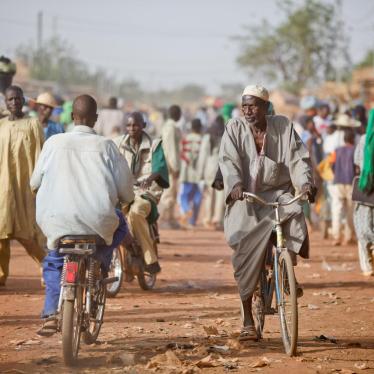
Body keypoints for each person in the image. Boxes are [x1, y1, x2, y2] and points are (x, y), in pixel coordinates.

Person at [30, 94, 134, 335]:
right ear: (95, 119)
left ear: (71, 116)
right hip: (96, 223)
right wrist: (125, 199)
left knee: (55, 260)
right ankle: (98, 262)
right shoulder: (107, 146)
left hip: (58, 222)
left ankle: (49, 314)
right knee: (120, 226)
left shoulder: (53, 143)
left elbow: (34, 182)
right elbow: (126, 190)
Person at [219, 84, 315, 341]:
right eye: (245, 106)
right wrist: (235, 184)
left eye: (254, 106)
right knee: (244, 255)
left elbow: (298, 159)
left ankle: (286, 269)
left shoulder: (283, 126)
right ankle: (248, 321)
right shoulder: (234, 128)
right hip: (247, 197)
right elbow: (228, 161)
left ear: (265, 107)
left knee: (294, 211)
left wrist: (305, 183)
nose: (248, 111)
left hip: (277, 192)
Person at [0, 86, 46, 286]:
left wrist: (41, 184)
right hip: (3, 188)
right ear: (6, 102)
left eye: (17, 99)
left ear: (23, 101)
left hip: (25, 188)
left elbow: (41, 155)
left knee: (26, 233)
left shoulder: (33, 124)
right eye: (10, 99)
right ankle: (1, 276)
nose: (14, 103)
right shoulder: (1, 125)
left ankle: (46, 264)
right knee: (1, 232)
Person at [114, 112, 169, 274]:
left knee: (136, 212)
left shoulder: (155, 144)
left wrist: (150, 178)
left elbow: (159, 168)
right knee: (110, 215)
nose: (132, 128)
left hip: (145, 192)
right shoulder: (116, 144)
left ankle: (149, 259)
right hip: (123, 190)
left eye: (136, 125)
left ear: (143, 126)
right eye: (129, 125)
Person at [353, 109, 374, 276]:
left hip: (366, 190)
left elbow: (357, 164)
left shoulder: (363, 140)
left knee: (363, 227)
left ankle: (367, 266)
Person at [198, 115, 225, 229]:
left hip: (209, 167)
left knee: (209, 194)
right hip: (221, 168)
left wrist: (200, 175)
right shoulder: (225, 134)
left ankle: (208, 218)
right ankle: (217, 219)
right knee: (220, 194)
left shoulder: (207, 136)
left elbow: (203, 156)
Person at [330, 129, 356, 246]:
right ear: (353, 139)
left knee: (337, 210)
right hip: (351, 182)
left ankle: (336, 236)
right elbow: (357, 167)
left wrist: (336, 173)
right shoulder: (355, 150)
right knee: (351, 210)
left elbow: (331, 165)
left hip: (338, 182)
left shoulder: (337, 150)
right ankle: (348, 237)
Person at [159, 105, 182, 229]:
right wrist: (175, 167)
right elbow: (171, 149)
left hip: (167, 164)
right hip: (169, 165)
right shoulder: (171, 128)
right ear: (177, 114)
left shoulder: (169, 126)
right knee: (169, 193)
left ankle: (171, 219)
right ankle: (164, 219)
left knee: (172, 192)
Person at [178, 118, 203, 227]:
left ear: (191, 127)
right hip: (198, 173)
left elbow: (181, 154)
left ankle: (186, 209)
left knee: (184, 195)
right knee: (197, 196)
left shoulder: (185, 139)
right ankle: (192, 221)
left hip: (187, 172)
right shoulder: (202, 140)